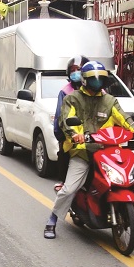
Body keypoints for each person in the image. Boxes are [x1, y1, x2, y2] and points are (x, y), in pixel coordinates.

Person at [44, 61, 134, 239]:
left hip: (106, 151)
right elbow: (66, 120)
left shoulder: (109, 101)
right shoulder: (72, 99)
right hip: (82, 151)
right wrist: (75, 135)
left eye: (100, 79)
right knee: (69, 189)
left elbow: (123, 117)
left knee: (123, 177)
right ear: (84, 80)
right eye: (93, 79)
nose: (97, 82)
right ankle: (52, 220)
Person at [53, 55, 88, 184]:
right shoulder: (65, 92)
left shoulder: (99, 91)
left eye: (78, 69)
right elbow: (60, 116)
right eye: (72, 70)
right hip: (72, 138)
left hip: (93, 138)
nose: (75, 72)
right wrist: (62, 137)